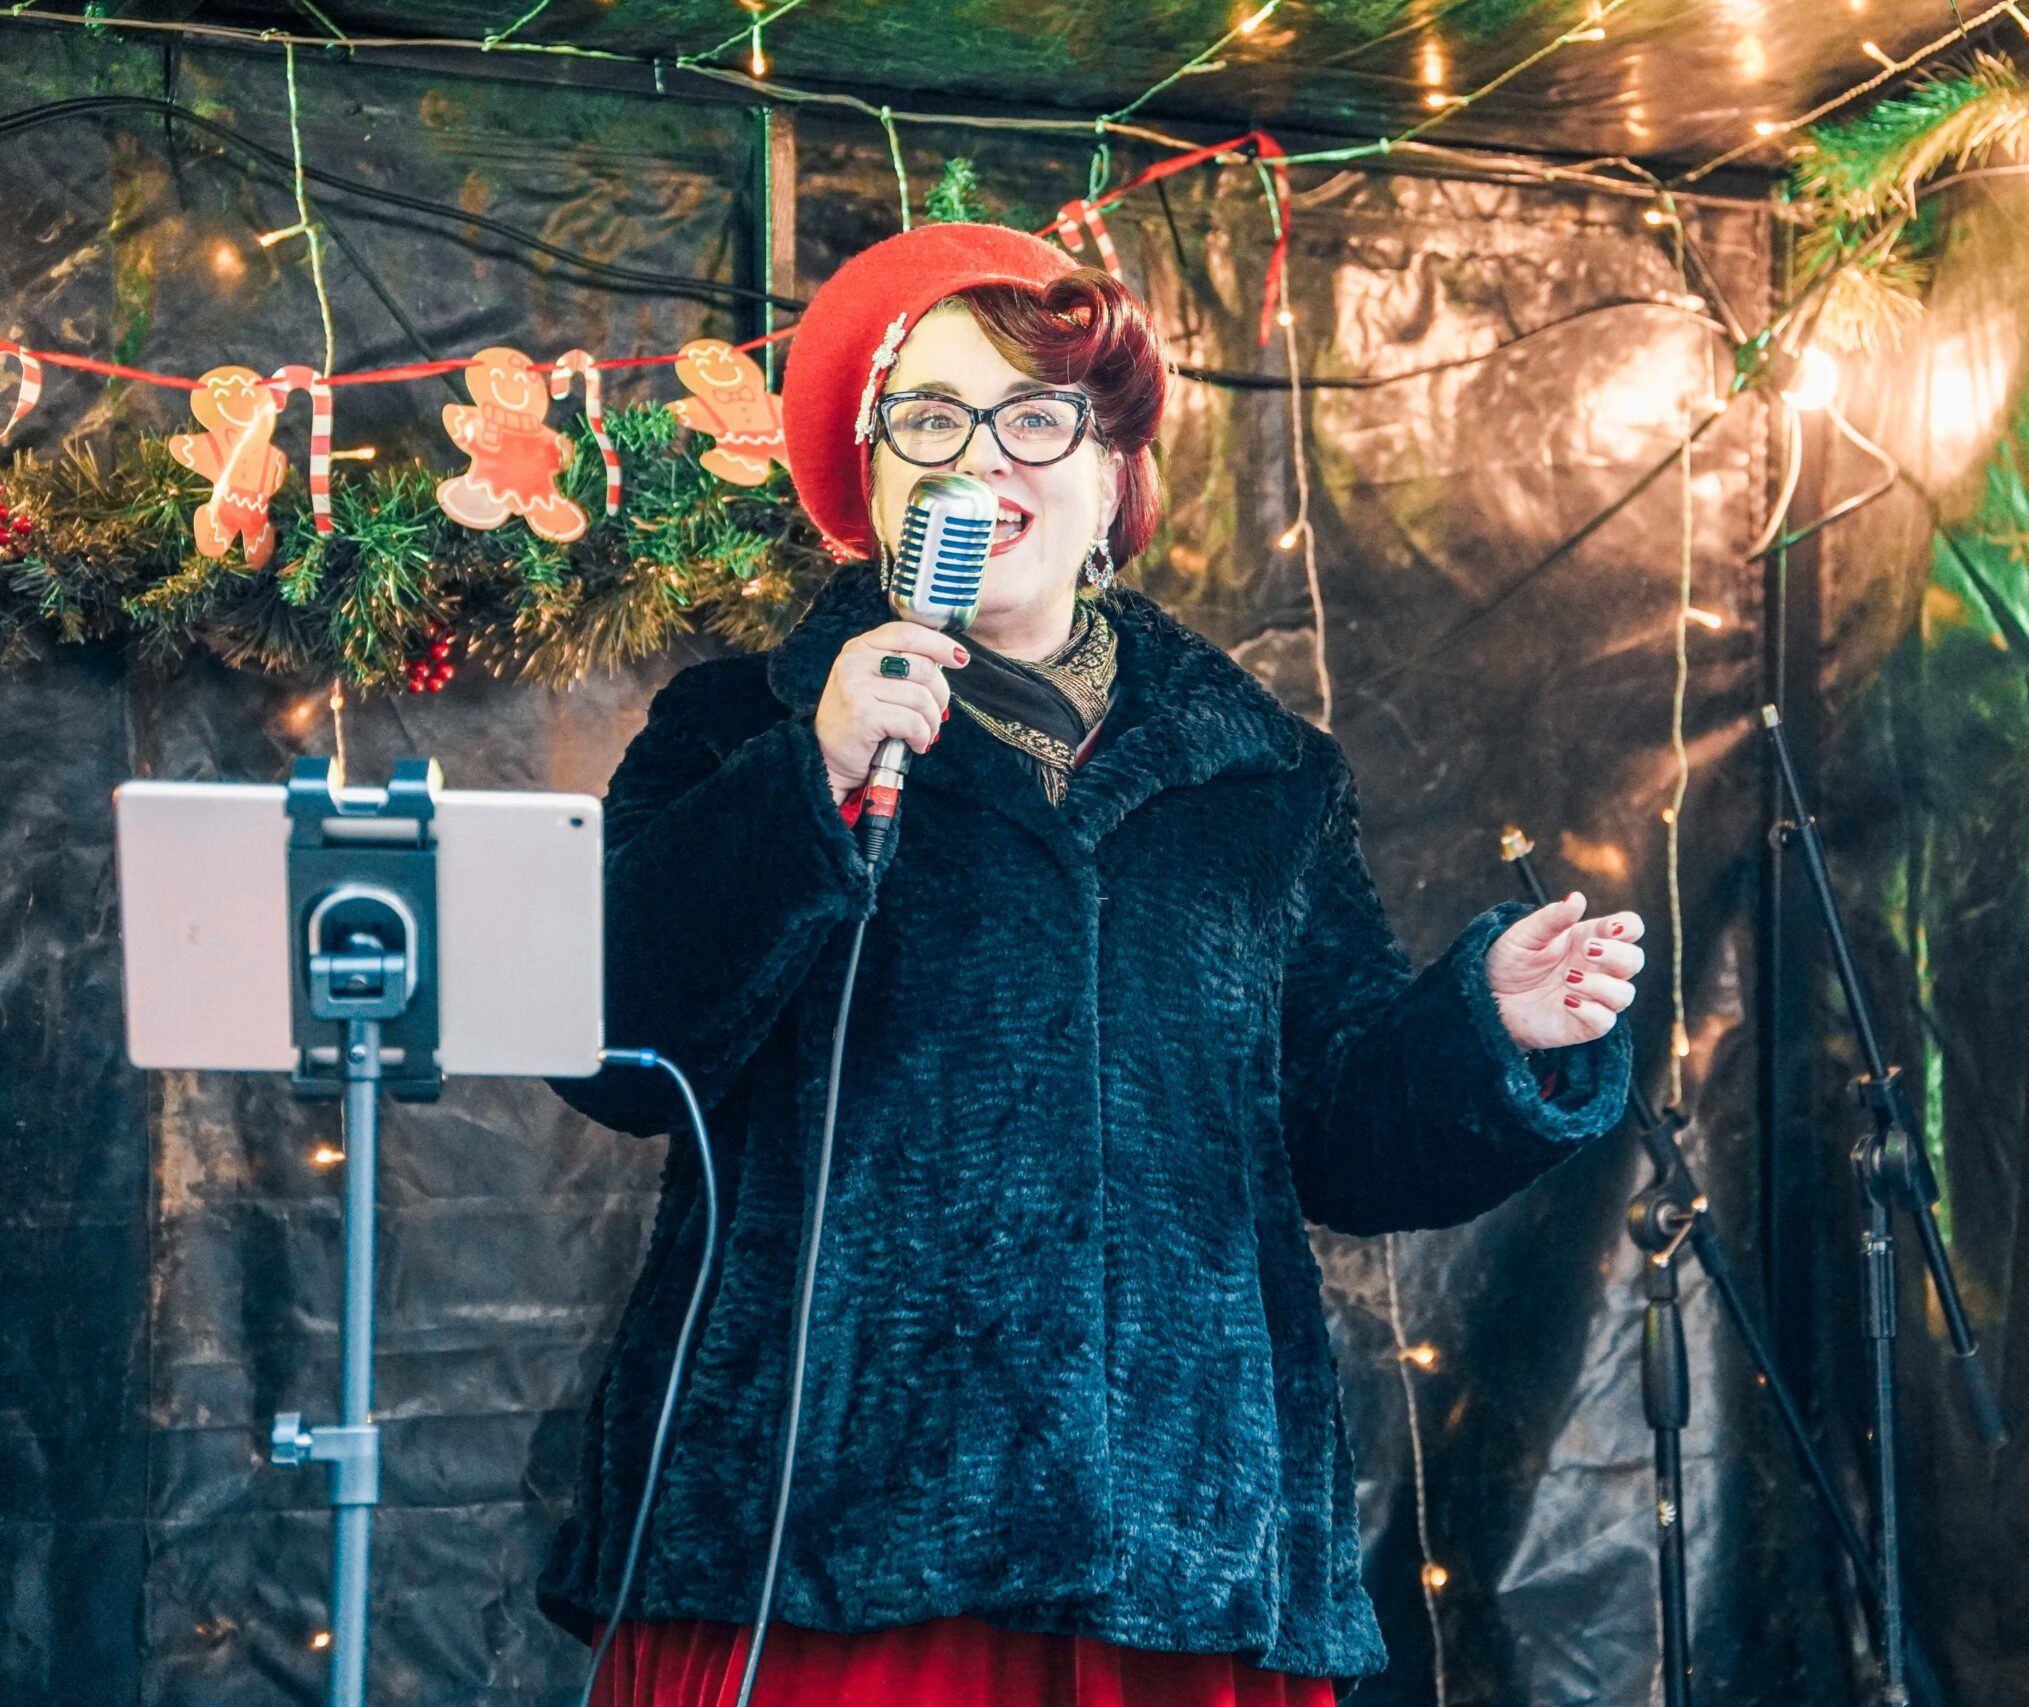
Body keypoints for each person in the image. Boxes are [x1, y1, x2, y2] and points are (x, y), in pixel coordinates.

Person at [542, 221, 1646, 1707]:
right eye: (928, 417)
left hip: (1177, 1545)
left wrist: (1479, 1034)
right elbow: (610, 1039)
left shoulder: (1260, 777)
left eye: (1034, 413)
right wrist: (807, 778)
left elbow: (1331, 1135)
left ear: (1112, 468)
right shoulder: (738, 726)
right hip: (825, 1542)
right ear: (871, 481)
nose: (980, 455)